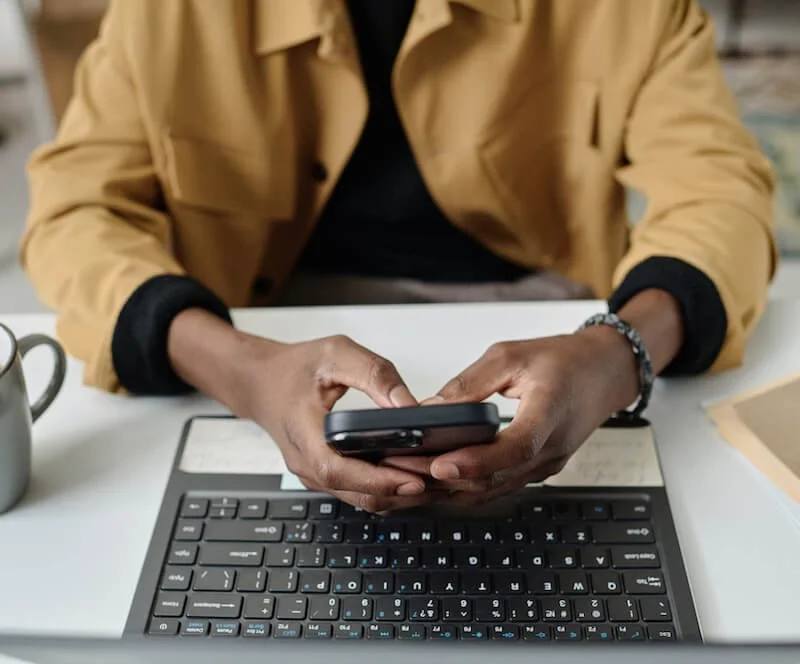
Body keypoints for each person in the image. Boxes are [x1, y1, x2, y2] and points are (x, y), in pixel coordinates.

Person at [21, 0, 775, 512]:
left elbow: (721, 193)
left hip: (546, 319)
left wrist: (618, 355)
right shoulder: (168, 16)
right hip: (251, 335)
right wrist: (237, 368)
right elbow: (74, 212)